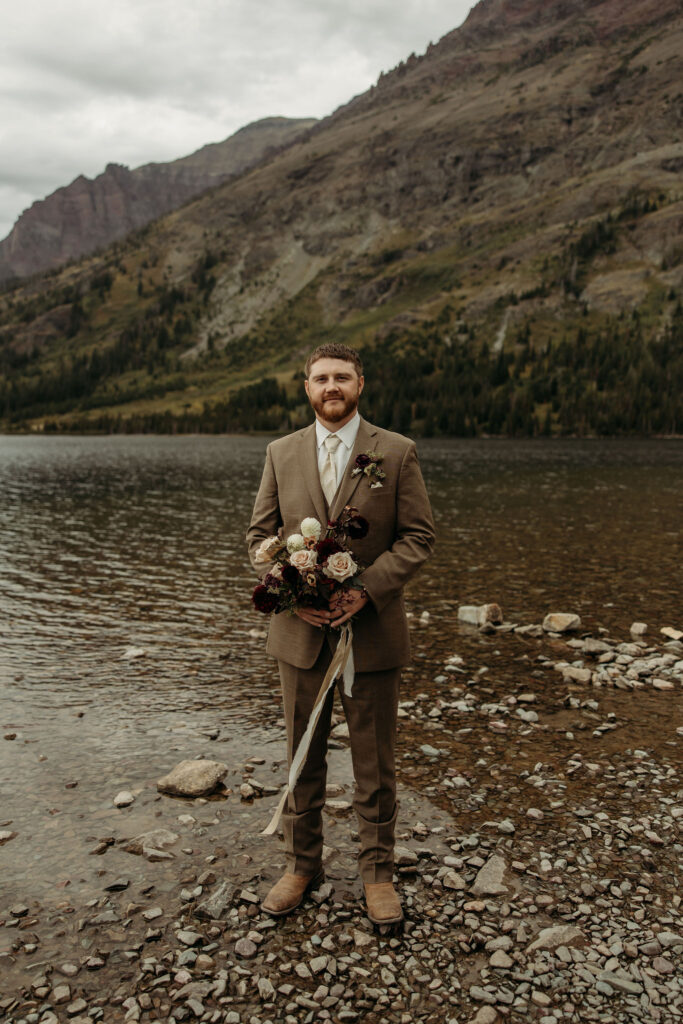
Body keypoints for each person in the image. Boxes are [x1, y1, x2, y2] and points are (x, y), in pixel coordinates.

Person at [246, 342, 435, 925]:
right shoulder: (281, 452)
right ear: (307, 387)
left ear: (360, 384)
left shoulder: (396, 452)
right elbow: (260, 537)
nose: (332, 387)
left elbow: (418, 538)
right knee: (302, 758)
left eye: (342, 378)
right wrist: (291, 589)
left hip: (372, 633)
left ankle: (378, 875)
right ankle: (302, 865)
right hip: (299, 635)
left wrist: (365, 590)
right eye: (321, 378)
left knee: (375, 762)